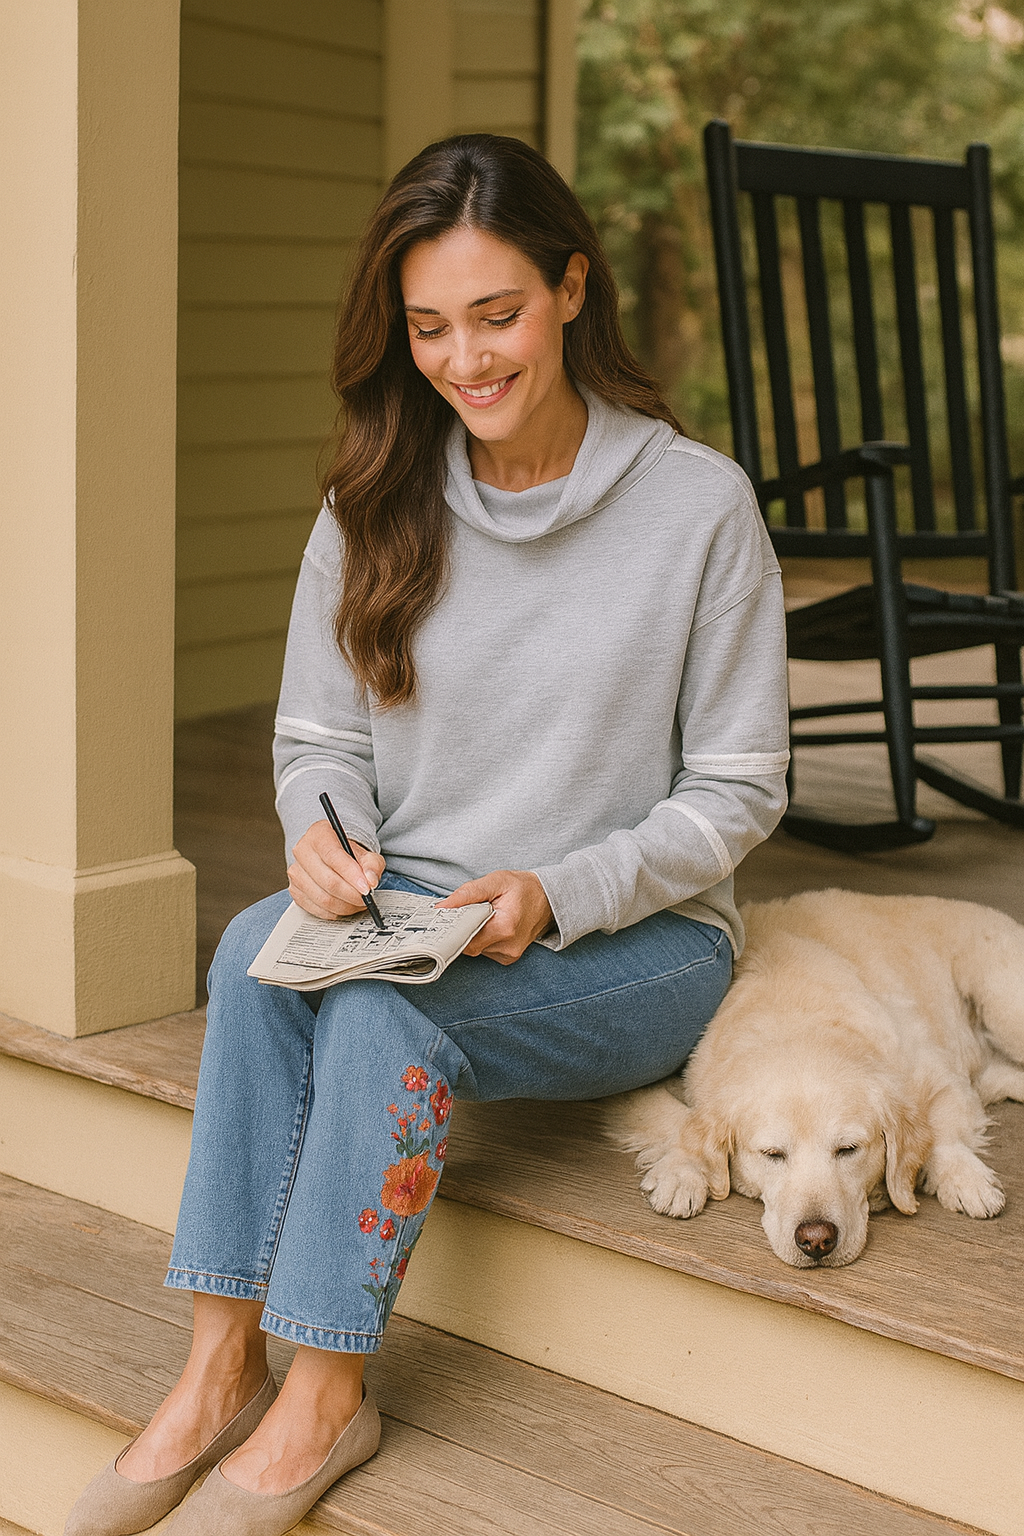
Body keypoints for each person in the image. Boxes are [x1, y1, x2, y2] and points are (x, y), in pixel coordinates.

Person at [65, 133, 789, 1536]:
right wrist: (323, 841)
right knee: (251, 950)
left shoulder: (698, 508)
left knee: (392, 1025)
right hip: (417, 908)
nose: (466, 360)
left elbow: (740, 791)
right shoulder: (375, 494)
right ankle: (219, 1370)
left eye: (499, 315)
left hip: (629, 937)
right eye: (431, 327)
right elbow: (320, 742)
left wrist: (560, 891)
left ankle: (330, 1397)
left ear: (573, 288)